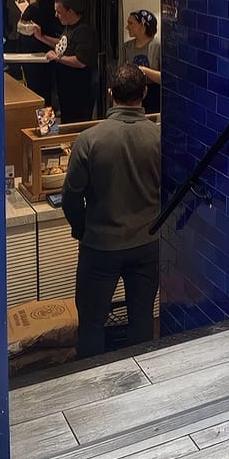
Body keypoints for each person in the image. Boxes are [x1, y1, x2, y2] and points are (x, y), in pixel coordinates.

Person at [60, 63, 161, 359]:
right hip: (147, 243)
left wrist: (82, 229)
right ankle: (142, 382)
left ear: (109, 94)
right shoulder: (159, 137)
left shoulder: (89, 140)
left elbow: (70, 197)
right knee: (142, 319)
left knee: (91, 322)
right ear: (144, 93)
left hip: (100, 246)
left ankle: (92, 384)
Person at [30, 0, 98, 123]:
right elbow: (62, 44)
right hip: (64, 87)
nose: (56, 15)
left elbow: (81, 61)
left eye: (59, 12)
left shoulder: (84, 30)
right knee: (64, 119)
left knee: (75, 124)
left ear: (70, 12)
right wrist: (41, 37)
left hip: (79, 91)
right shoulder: (69, 27)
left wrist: (57, 58)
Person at [17, 0, 61, 104]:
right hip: (53, 55)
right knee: (49, 90)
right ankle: (48, 116)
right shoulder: (58, 9)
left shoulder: (32, 9)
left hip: (32, 57)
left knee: (35, 94)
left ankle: (38, 117)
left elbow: (21, 30)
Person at [120, 9, 161, 114]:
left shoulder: (158, 46)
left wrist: (142, 70)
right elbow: (120, 72)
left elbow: (164, 78)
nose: (127, 27)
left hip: (153, 96)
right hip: (130, 96)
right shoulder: (127, 47)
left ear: (143, 26)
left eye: (131, 23)